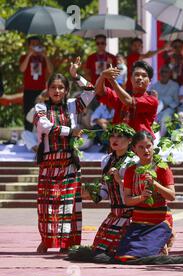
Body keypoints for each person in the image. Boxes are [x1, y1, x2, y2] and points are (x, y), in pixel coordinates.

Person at [33, 73, 84, 254]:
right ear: (47, 89)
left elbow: (91, 91)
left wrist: (77, 76)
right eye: (53, 87)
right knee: (48, 205)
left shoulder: (72, 105)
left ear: (67, 90)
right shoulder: (40, 107)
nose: (57, 91)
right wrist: (71, 131)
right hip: (48, 164)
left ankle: (66, 242)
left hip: (69, 162)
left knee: (68, 204)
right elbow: (45, 127)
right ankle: (47, 241)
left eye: (61, 87)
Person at [116, 131, 176, 261]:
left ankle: (166, 236)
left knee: (145, 255)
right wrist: (142, 197)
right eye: (141, 147)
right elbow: (127, 200)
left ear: (154, 146)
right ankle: (161, 243)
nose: (146, 150)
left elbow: (172, 196)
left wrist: (155, 184)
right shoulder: (131, 171)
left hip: (160, 219)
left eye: (148, 146)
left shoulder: (162, 168)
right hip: (139, 219)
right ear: (134, 149)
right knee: (125, 255)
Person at [82, 124, 137, 257]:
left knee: (119, 252)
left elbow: (136, 189)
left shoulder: (133, 161)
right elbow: (106, 189)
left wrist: (119, 180)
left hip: (131, 213)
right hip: (114, 212)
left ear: (130, 140)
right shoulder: (106, 160)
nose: (114, 139)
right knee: (98, 250)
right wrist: (92, 194)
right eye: (112, 136)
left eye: (120, 136)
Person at [95, 60, 158, 137]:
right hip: (118, 142)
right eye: (136, 75)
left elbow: (129, 102)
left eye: (144, 75)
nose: (140, 78)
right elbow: (99, 92)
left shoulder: (152, 100)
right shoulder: (121, 96)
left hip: (140, 145)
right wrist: (102, 76)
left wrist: (112, 80)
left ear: (150, 81)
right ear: (131, 78)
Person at [19, 36, 53, 132]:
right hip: (29, 90)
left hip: (41, 90)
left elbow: (51, 70)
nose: (35, 46)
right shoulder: (24, 57)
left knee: (42, 113)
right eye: (33, 44)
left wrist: (45, 56)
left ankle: (41, 135)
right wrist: (29, 55)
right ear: (28, 46)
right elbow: (22, 69)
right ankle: (28, 134)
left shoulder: (43, 58)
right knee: (28, 112)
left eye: (37, 44)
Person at [149, 65, 180, 137]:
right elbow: (151, 100)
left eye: (166, 72)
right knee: (153, 118)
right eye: (162, 72)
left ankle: (160, 137)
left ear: (170, 74)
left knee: (165, 118)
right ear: (159, 73)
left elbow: (176, 101)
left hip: (169, 108)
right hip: (157, 108)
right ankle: (153, 137)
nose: (164, 74)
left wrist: (168, 106)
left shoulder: (175, 85)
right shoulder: (154, 86)